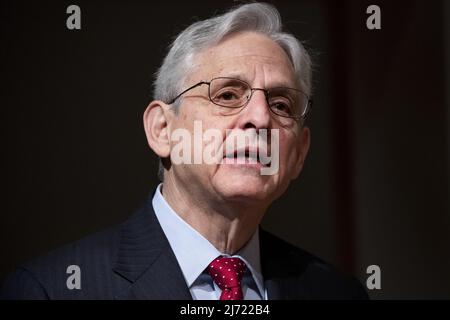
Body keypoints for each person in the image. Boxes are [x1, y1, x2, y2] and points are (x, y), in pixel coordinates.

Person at [1, 2, 368, 300]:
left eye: (282, 105)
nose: (259, 119)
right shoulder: (52, 289)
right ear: (163, 130)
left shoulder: (336, 292)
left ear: (299, 154)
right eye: (227, 95)